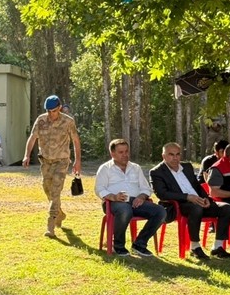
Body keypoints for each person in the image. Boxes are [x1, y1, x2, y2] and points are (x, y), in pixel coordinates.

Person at [148, 142, 230, 260]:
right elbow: (162, 194)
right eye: (171, 154)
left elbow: (197, 186)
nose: (175, 158)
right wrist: (187, 197)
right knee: (196, 208)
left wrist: (206, 199)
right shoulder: (156, 172)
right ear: (163, 156)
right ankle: (195, 247)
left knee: (226, 207)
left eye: (178, 154)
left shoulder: (187, 167)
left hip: (198, 201)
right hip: (179, 205)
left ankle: (218, 247)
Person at [22, 95, 83, 237]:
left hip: (61, 161)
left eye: (54, 111)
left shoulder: (68, 121)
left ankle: (51, 225)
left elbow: (76, 141)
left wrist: (78, 161)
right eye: (48, 111)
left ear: (59, 108)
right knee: (47, 189)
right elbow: (32, 138)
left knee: (56, 191)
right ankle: (59, 213)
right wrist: (27, 155)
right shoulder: (41, 120)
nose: (51, 114)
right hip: (46, 161)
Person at [94, 138, 166, 257]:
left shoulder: (135, 167)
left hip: (135, 201)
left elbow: (146, 188)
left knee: (160, 211)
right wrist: (113, 197)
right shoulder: (105, 168)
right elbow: (99, 189)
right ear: (112, 153)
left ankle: (139, 243)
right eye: (121, 152)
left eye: (126, 151)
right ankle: (118, 245)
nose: (125, 155)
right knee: (125, 210)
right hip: (113, 202)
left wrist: (141, 197)